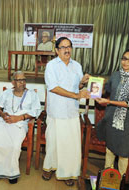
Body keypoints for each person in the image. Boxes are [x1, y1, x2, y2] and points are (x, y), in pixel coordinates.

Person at [42, 37, 90, 186]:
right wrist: (76, 95)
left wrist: (82, 83)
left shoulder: (77, 65)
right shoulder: (51, 66)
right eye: (62, 47)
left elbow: (78, 88)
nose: (66, 50)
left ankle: (69, 173)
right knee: (53, 142)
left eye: (69, 46)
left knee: (71, 144)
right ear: (57, 50)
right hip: (57, 111)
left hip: (72, 111)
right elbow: (54, 88)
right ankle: (50, 167)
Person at [96, 48, 129, 176]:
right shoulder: (116, 75)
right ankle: (106, 179)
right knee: (109, 149)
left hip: (128, 120)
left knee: (123, 152)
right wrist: (95, 83)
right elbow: (106, 90)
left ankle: (120, 181)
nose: (126, 62)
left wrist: (108, 102)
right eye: (124, 58)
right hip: (111, 116)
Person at [0, 71, 41, 184]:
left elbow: (36, 111)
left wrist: (19, 118)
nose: (22, 82)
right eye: (19, 80)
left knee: (13, 144)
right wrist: (3, 115)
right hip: (4, 122)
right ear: (13, 82)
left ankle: (11, 173)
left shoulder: (32, 94)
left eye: (24, 80)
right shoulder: (7, 93)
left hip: (20, 124)